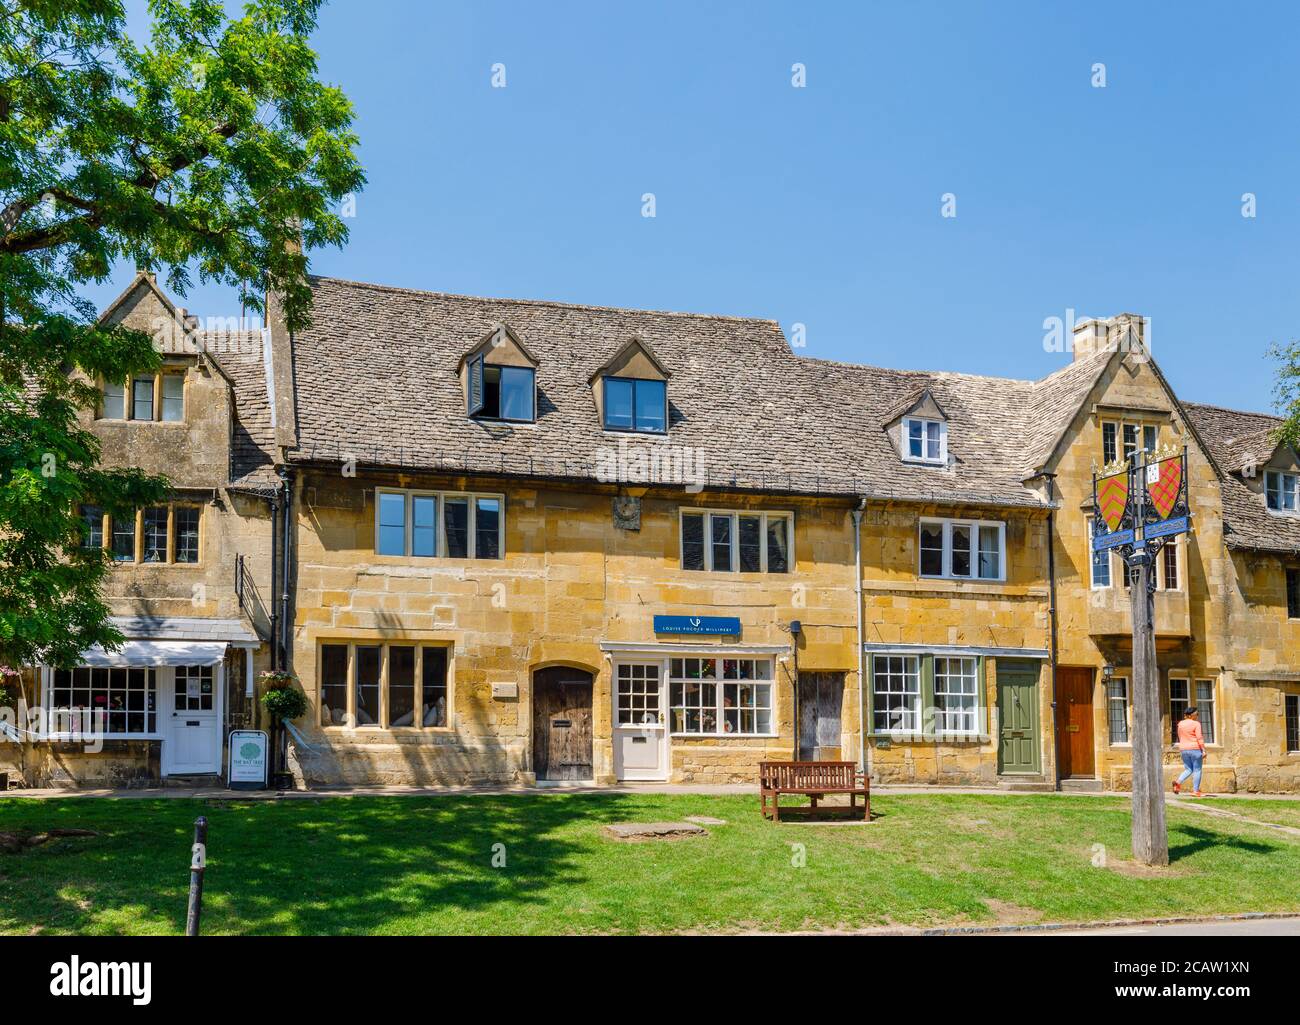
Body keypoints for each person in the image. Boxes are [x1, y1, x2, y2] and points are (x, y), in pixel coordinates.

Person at [1172, 706, 1206, 797]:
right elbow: (1199, 737)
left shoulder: (1180, 724)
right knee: (1197, 770)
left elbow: (1180, 736)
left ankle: (1178, 782)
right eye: (1197, 714)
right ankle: (1196, 791)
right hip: (1195, 748)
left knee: (1188, 769)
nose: (1198, 716)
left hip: (1183, 749)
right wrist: (1203, 749)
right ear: (1191, 715)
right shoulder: (1196, 724)